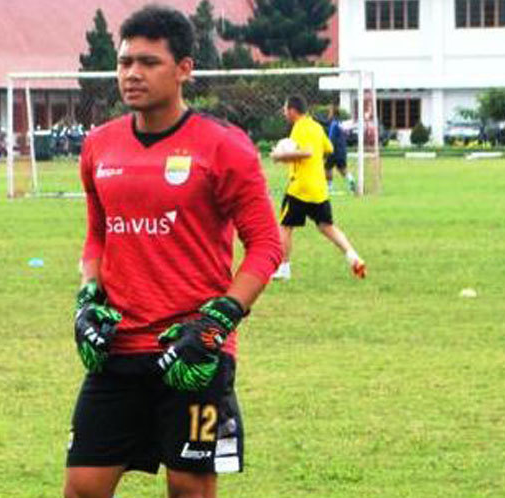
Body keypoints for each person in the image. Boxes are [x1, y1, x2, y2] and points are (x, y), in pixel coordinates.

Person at [64, 6, 282, 498]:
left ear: (184, 68)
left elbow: (265, 244)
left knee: (189, 488)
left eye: (148, 62)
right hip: (117, 349)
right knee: (82, 486)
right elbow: (98, 235)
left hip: (192, 349)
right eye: (124, 63)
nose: (132, 74)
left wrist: (219, 320)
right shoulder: (99, 146)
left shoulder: (224, 148)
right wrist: (86, 300)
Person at [270, 96, 366, 281]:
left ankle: (284, 269)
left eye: (284, 109)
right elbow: (328, 148)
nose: (283, 113)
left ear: (292, 110)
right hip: (319, 187)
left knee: (285, 227)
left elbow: (306, 152)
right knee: (326, 226)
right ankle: (353, 256)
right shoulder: (315, 126)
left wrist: (280, 156)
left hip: (299, 187)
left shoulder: (299, 127)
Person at [324, 107, 356, 194]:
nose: (328, 114)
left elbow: (331, 138)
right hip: (342, 151)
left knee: (327, 168)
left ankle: (329, 188)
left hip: (334, 150)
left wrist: (327, 150)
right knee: (342, 169)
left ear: (333, 114)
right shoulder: (340, 124)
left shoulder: (334, 124)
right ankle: (351, 180)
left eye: (330, 112)